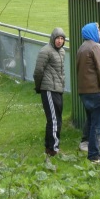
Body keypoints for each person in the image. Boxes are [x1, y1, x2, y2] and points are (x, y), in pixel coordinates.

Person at [77, 22, 100, 165]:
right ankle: (94, 155)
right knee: (98, 124)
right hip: (96, 92)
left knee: (92, 122)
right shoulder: (95, 47)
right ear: (92, 33)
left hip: (85, 92)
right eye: (98, 31)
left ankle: (95, 154)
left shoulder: (82, 48)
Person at [33, 27, 66, 157]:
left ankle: (49, 147)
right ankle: (53, 148)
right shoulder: (45, 51)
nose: (59, 41)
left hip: (58, 89)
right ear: (53, 38)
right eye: (57, 38)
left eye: (62, 38)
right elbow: (38, 71)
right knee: (53, 120)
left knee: (56, 119)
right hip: (48, 89)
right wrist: (39, 87)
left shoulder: (62, 52)